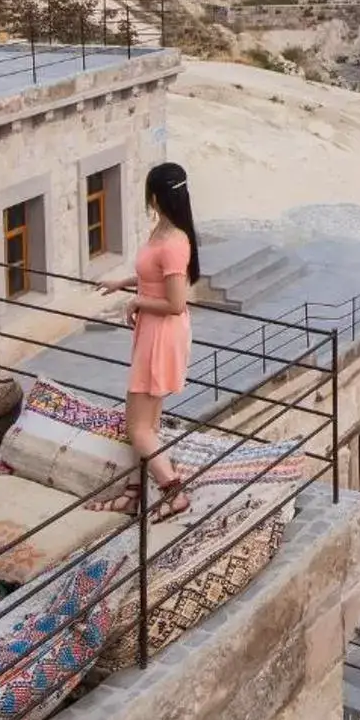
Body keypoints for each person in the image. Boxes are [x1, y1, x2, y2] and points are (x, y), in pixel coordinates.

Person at [92, 162, 198, 519]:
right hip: (152, 332)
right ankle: (134, 493)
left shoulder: (174, 243)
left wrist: (136, 301)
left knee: (137, 427)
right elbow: (155, 281)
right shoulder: (166, 232)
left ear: (154, 196)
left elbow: (175, 303)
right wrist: (124, 284)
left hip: (161, 335)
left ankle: (174, 493)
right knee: (147, 425)